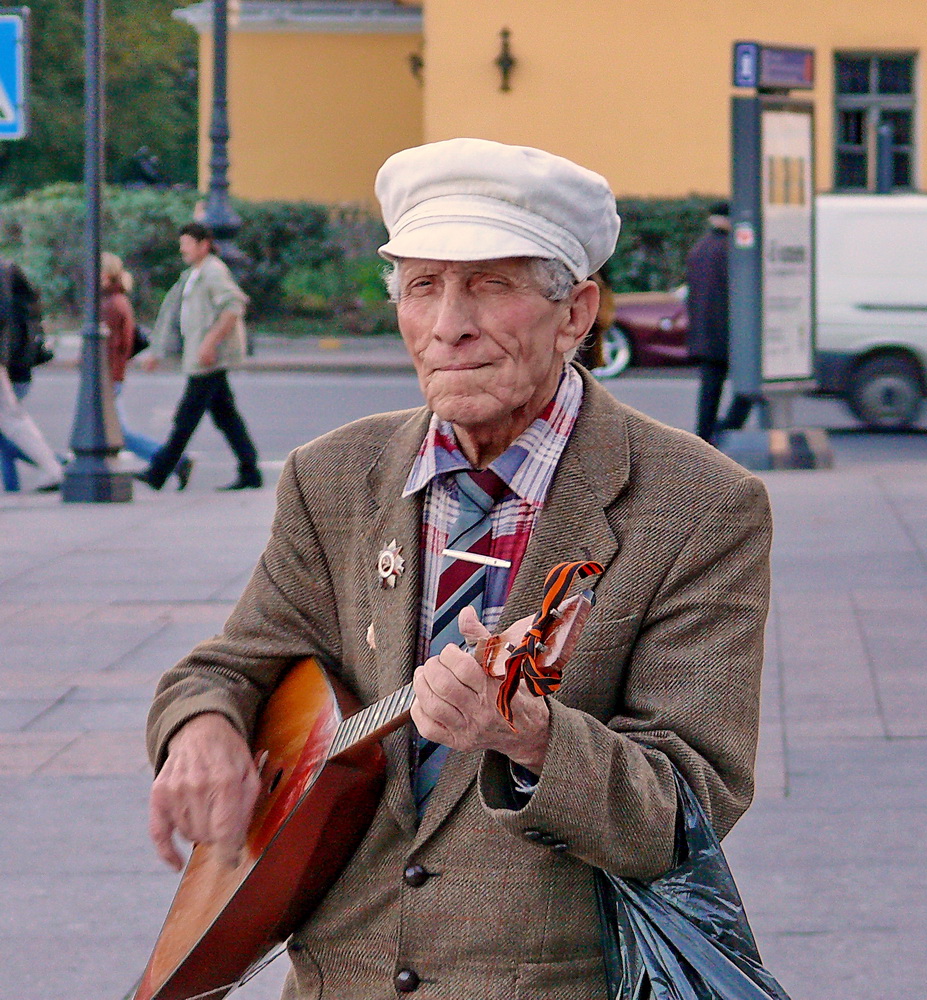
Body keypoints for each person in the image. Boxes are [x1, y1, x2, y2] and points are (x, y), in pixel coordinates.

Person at [145, 139, 772, 999]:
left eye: (492, 283)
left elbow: (684, 809)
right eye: (423, 287)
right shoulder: (332, 475)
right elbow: (233, 664)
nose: (449, 325)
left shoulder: (698, 504)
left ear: (576, 311)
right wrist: (199, 729)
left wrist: (532, 737)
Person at [136, 222, 262, 492]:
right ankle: (250, 470)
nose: (182, 249)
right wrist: (158, 351)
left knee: (186, 418)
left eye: (187, 243)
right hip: (202, 356)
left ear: (203, 245)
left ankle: (159, 471)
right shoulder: (195, 273)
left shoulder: (213, 272)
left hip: (208, 359)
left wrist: (209, 343)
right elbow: (173, 313)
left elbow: (233, 305)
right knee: (226, 417)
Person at [99, 252, 191, 487]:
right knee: (113, 432)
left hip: (108, 376)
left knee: (118, 434)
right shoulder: (115, 300)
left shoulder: (111, 303)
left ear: (106, 275)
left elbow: (112, 346)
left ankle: (173, 461)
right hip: (112, 375)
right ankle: (173, 461)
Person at [686, 201, 755, 441]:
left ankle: (704, 435)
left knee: (709, 389)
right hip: (730, 331)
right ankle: (728, 428)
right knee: (750, 385)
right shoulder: (732, 250)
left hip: (704, 331)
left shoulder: (699, 248)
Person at [0, 260, 64, 493]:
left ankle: (54, 467)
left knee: (11, 418)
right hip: (10, 360)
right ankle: (53, 467)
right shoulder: (9, 272)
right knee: (11, 418)